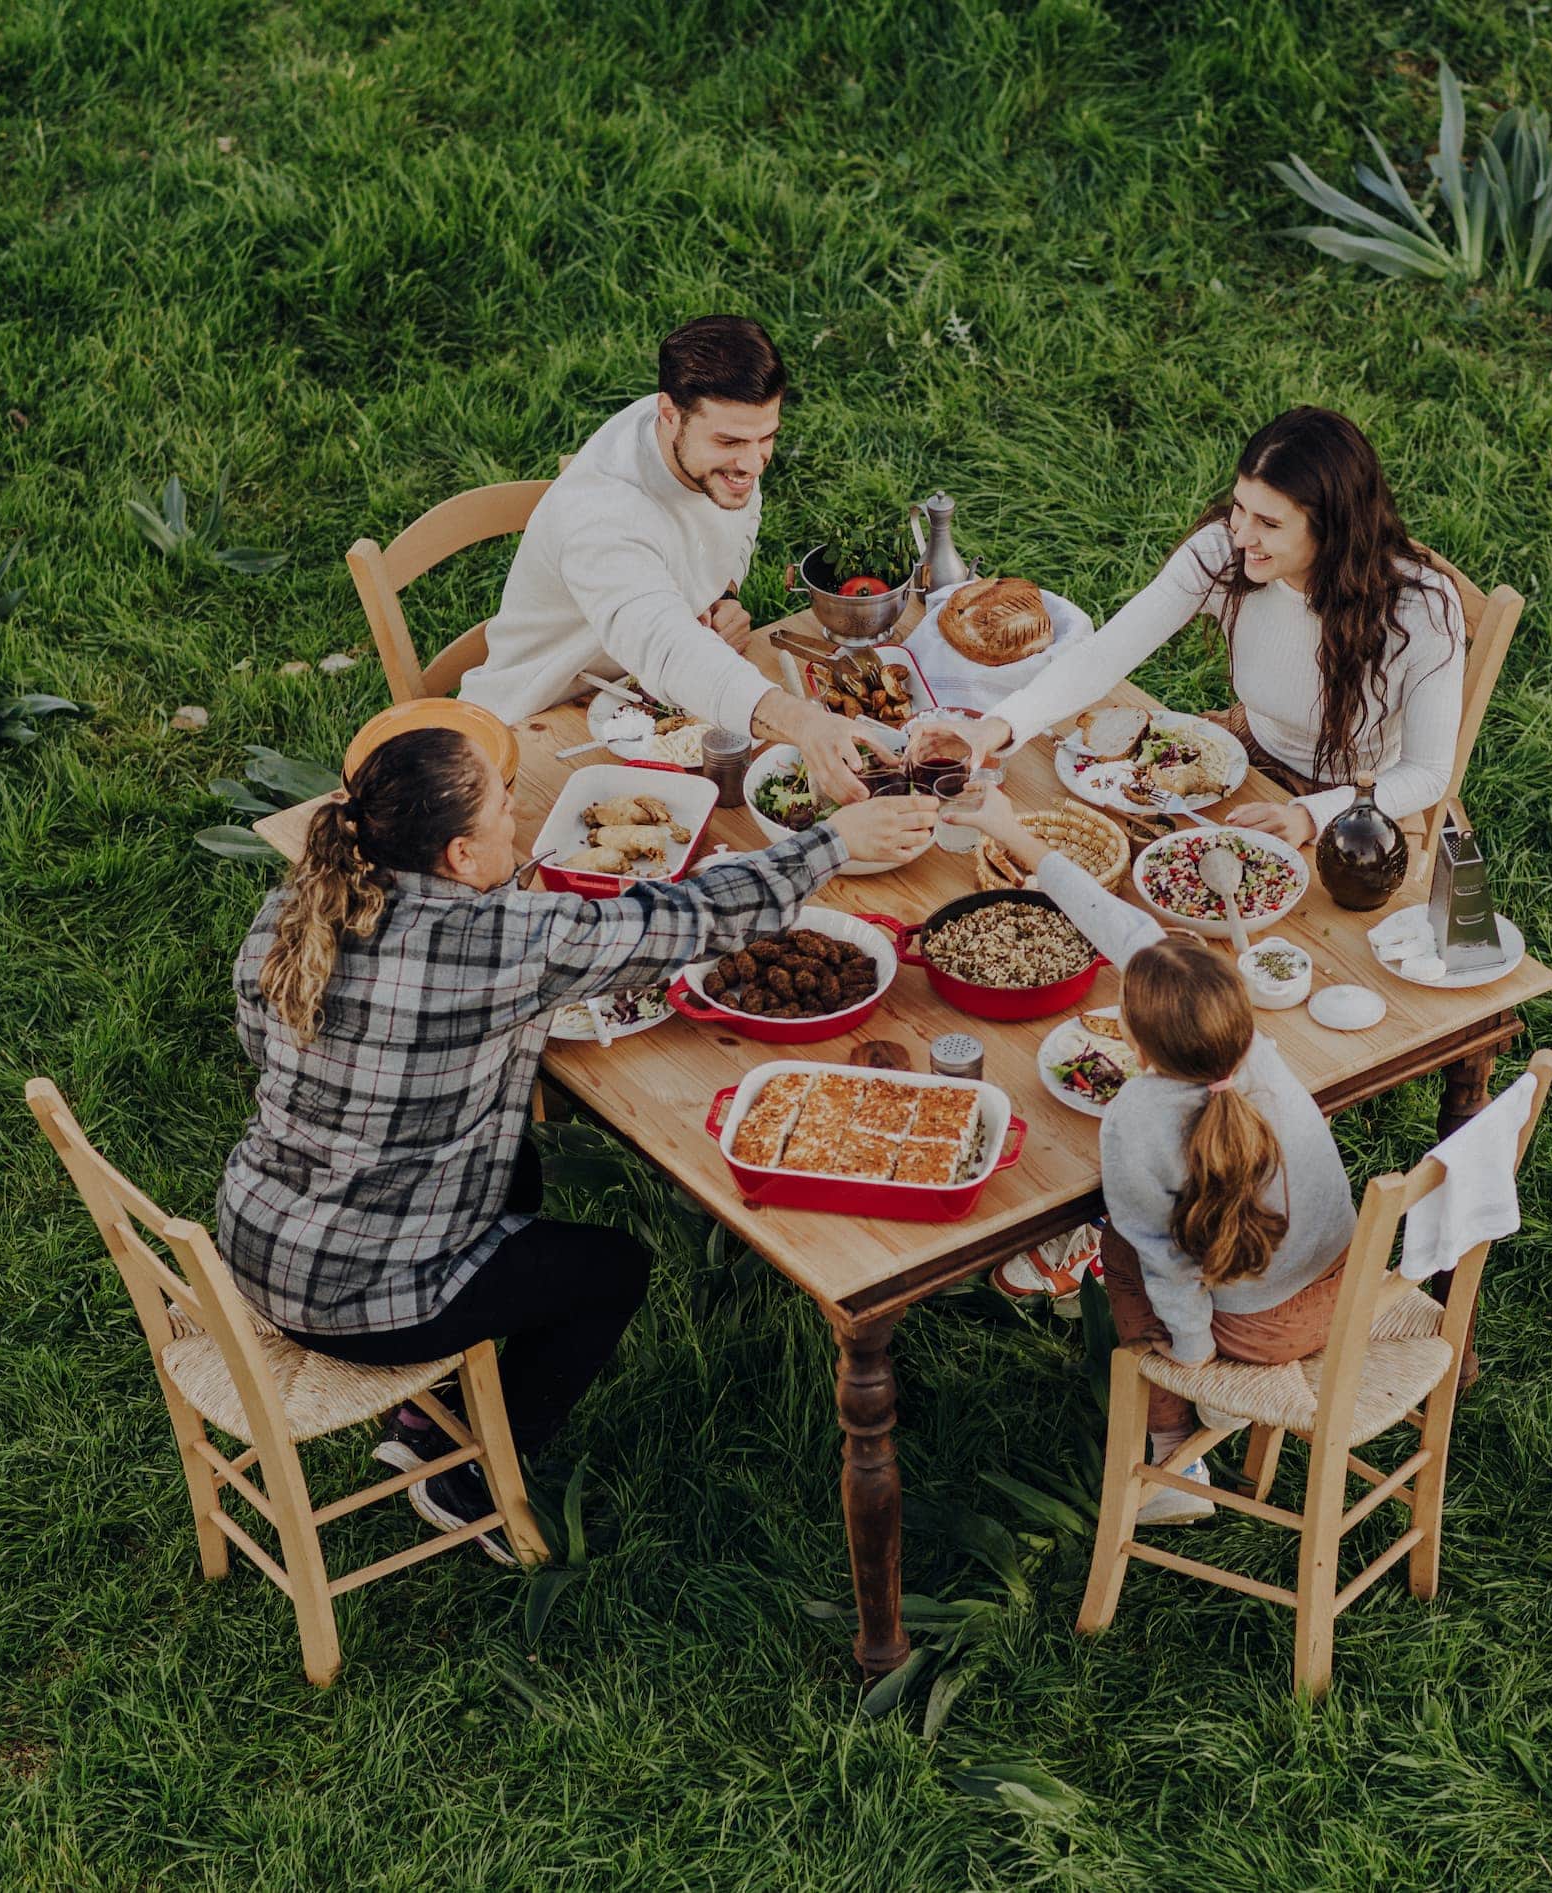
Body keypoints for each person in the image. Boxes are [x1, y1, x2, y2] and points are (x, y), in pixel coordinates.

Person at [219, 723, 938, 1558]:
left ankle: (432, 1411)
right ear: (457, 855)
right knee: (609, 1270)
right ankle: (467, 1481)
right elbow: (688, 916)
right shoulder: (501, 943)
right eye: (500, 815)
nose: (516, 830)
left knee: (514, 1162)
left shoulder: (300, 901)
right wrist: (831, 844)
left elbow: (260, 1043)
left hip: (258, 1234)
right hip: (357, 1300)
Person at [969, 790, 1357, 1525]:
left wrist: (1191, 1349)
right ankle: (1215, 1392)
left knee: (1121, 1244)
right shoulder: (1255, 1056)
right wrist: (1007, 828)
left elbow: (1165, 1259)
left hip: (1260, 1325)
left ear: (1136, 1049)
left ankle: (1175, 1446)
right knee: (1167, 1235)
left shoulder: (1135, 1121)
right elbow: (1126, 928)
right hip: (1345, 1283)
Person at [912, 407, 1466, 844]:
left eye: (1269, 522)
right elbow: (1105, 655)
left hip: (1358, 796)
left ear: (1334, 530)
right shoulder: (1225, 554)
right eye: (1240, 507)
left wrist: (1307, 816)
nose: (1241, 535)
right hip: (1247, 747)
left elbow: (1425, 774)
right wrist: (996, 728)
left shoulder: (1420, 613)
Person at [457, 314, 872, 799]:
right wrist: (802, 722)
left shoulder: (713, 443)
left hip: (642, 700)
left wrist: (722, 594)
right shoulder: (601, 516)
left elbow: (741, 517)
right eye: (732, 443)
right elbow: (666, 645)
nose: (753, 463)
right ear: (668, 414)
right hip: (534, 724)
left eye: (768, 438)